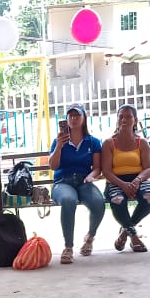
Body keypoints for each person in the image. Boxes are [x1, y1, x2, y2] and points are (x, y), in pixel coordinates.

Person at [49, 103, 105, 262]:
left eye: (77, 115)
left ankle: (90, 238)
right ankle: (68, 247)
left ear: (84, 118)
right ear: (66, 119)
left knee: (98, 202)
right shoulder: (58, 141)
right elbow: (53, 166)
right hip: (63, 182)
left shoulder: (92, 142)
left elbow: (97, 168)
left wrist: (91, 176)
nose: (73, 118)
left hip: (84, 181)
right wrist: (59, 146)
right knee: (68, 200)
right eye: (70, 115)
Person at [101, 105, 150, 252]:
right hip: (115, 181)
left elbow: (149, 169)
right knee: (117, 200)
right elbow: (106, 171)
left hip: (138, 179)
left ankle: (125, 232)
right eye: (121, 117)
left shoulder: (142, 142)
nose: (124, 120)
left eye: (128, 117)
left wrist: (137, 181)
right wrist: (123, 185)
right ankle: (134, 237)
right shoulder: (109, 143)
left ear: (135, 120)